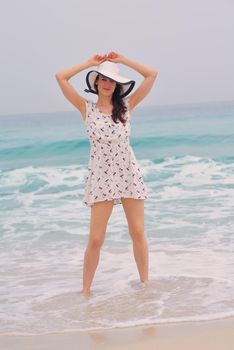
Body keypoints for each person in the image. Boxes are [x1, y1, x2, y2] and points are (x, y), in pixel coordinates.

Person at [55, 52, 158, 296]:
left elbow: (151, 74)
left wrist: (122, 60)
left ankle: (145, 285)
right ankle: (85, 292)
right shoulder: (85, 108)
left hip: (128, 173)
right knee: (96, 239)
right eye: (102, 78)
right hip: (101, 177)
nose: (107, 83)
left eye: (112, 80)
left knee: (137, 231)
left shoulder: (127, 106)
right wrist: (89, 64)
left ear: (117, 85)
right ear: (96, 82)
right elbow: (60, 77)